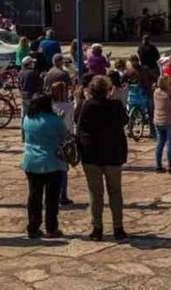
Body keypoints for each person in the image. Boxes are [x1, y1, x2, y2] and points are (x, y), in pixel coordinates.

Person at [75, 75, 129, 241]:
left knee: (95, 193)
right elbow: (124, 121)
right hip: (112, 154)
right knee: (115, 191)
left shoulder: (86, 105)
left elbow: (78, 122)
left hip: (91, 155)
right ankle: (118, 227)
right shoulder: (115, 105)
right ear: (107, 90)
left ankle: (97, 228)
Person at [21, 94, 67, 239]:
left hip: (31, 161)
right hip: (52, 161)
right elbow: (65, 136)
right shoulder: (55, 120)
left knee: (34, 196)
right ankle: (51, 227)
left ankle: (33, 227)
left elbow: (24, 137)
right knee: (52, 198)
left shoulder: (27, 119)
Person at [50, 82, 74, 206]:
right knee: (64, 168)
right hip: (65, 138)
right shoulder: (68, 106)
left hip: (52, 137)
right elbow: (71, 122)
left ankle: (53, 193)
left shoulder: (50, 105)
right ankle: (63, 194)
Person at [153, 75, 171, 173]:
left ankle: (158, 165)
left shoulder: (156, 92)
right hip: (170, 121)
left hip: (158, 121)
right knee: (170, 144)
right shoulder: (170, 94)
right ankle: (170, 166)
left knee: (160, 143)